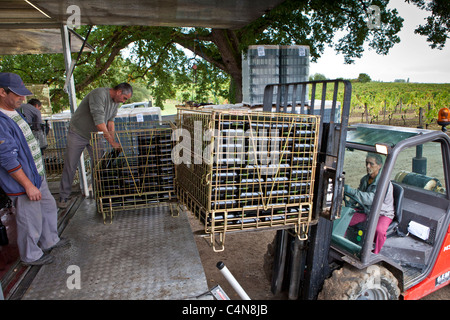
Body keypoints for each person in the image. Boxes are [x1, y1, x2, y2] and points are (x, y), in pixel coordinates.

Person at [0, 72, 70, 266]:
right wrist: (28, 185)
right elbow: (7, 159)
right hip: (24, 181)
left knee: (48, 207)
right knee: (29, 218)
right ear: (1, 92)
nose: (23, 98)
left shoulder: (15, 112)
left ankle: (50, 240)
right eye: (17, 94)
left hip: (37, 175)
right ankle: (31, 255)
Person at [58, 83, 133, 208]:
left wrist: (114, 141)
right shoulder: (98, 94)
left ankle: (99, 195)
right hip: (78, 132)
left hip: (95, 136)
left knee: (99, 165)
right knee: (71, 165)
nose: (124, 101)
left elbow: (110, 122)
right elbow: (99, 123)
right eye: (125, 98)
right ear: (119, 92)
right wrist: (111, 142)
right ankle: (63, 197)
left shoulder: (116, 103)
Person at [344, 153, 395, 254]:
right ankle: (343, 245)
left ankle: (374, 254)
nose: (368, 166)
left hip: (382, 213)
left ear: (379, 166)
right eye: (367, 163)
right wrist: (350, 204)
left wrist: (351, 191)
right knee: (344, 218)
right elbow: (359, 193)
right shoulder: (365, 179)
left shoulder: (384, 182)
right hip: (367, 211)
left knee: (379, 230)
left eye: (371, 164)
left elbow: (371, 199)